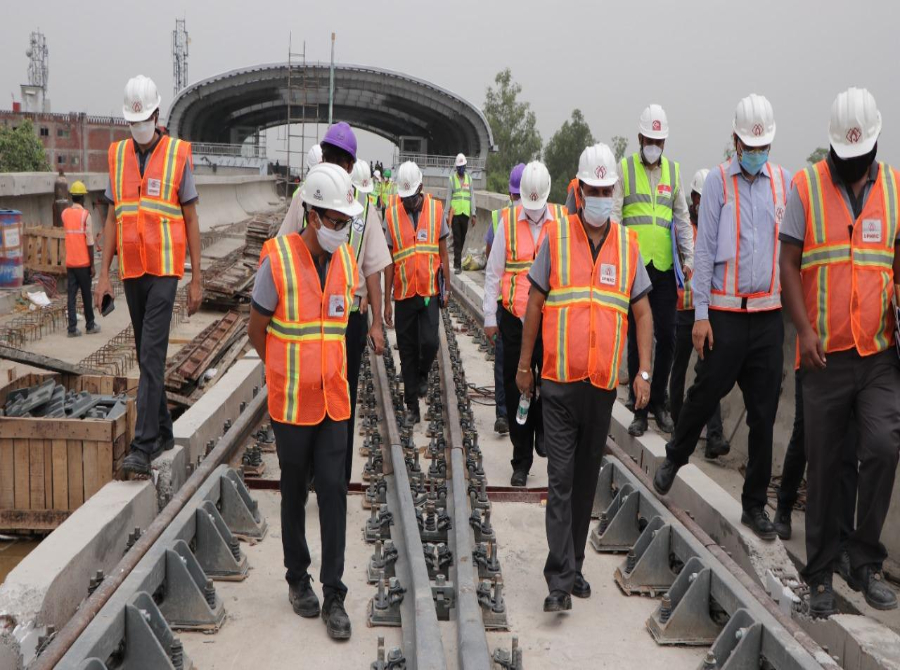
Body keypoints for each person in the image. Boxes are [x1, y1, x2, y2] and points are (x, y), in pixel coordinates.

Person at [517, 143, 653, 612]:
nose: (599, 196)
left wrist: (645, 372)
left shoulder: (628, 245)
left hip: (600, 389)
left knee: (582, 485)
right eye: (592, 189)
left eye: (606, 189)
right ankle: (558, 581)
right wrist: (523, 366)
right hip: (557, 384)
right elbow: (534, 303)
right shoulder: (555, 239)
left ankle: (572, 567)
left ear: (613, 191)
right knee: (559, 479)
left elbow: (643, 313)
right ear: (578, 190)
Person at [780, 87, 900, 616]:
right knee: (825, 465)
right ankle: (821, 573)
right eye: (844, 157)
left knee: (881, 445)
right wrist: (803, 331)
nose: (854, 166)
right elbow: (788, 263)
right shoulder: (806, 187)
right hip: (824, 353)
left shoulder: (895, 188)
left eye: (862, 156)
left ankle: (865, 560)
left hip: (878, 353)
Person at [653, 94, 790, 545]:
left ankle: (754, 505)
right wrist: (703, 314)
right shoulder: (718, 184)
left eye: (763, 145)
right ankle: (676, 455)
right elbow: (706, 248)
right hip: (726, 317)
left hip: (768, 318)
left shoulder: (780, 184)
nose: (756, 153)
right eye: (750, 145)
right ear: (735, 140)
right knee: (705, 389)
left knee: (765, 413)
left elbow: (788, 250)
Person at [248, 162, 360, 640]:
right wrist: (281, 369)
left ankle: (334, 592)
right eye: (335, 220)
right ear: (312, 216)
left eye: (345, 221)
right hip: (292, 404)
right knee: (293, 490)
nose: (341, 229)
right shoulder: (277, 261)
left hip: (334, 400)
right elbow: (258, 330)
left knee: (333, 489)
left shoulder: (347, 263)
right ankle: (298, 579)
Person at [94, 75, 202, 478]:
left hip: (166, 271)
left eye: (144, 119)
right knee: (145, 354)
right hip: (133, 270)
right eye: (132, 121)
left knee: (152, 355)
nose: (138, 128)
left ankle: (142, 446)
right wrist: (103, 277)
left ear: (157, 115)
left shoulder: (177, 155)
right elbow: (112, 219)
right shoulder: (118, 156)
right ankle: (163, 431)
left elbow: (190, 217)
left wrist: (196, 278)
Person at [278, 123, 390, 485]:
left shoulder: (363, 206)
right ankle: (308, 471)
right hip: (307, 316)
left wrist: (376, 322)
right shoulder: (304, 197)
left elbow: (372, 268)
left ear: (350, 165)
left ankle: (335, 479)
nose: (334, 163)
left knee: (342, 399)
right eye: (329, 157)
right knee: (307, 391)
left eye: (341, 160)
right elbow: (283, 251)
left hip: (349, 318)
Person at [483, 161, 567, 486]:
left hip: (549, 319)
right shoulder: (507, 221)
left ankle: (543, 431)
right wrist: (490, 317)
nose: (532, 212)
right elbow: (493, 273)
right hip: (514, 320)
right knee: (516, 385)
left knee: (549, 381)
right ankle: (521, 460)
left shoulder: (560, 222)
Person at [613, 104, 694, 437]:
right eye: (650, 139)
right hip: (634, 268)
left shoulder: (674, 173)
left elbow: (682, 220)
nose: (654, 146)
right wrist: (616, 258)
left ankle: (658, 400)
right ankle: (639, 406)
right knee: (637, 339)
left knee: (669, 337)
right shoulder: (625, 169)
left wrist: (687, 258)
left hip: (662, 268)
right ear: (640, 137)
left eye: (659, 141)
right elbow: (615, 216)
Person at [382, 161, 450, 425]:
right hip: (404, 293)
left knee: (430, 342)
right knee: (407, 351)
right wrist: (387, 300)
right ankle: (411, 406)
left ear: (421, 188)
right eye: (404, 198)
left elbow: (443, 252)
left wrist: (446, 287)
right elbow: (389, 261)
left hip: (429, 291)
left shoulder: (436, 210)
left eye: (412, 197)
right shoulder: (391, 215)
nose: (408, 202)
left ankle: (423, 375)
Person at [668, 169, 728, 459]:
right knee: (678, 368)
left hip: (706, 313)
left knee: (710, 373)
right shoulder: (681, 230)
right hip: (682, 310)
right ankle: (679, 425)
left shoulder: (715, 231)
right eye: (701, 199)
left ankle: (714, 436)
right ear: (693, 199)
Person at [484, 163, 526, 437]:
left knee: (505, 362)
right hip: (515, 304)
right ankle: (508, 413)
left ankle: (506, 412)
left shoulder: (500, 217)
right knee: (515, 361)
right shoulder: (504, 219)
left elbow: (490, 261)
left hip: (508, 303)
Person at [62, 180, 100, 338]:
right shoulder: (85, 215)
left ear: (71, 197)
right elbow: (90, 243)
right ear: (83, 198)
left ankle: (72, 328)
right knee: (86, 295)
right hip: (83, 263)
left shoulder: (65, 214)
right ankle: (90, 325)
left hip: (70, 263)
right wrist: (92, 265)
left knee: (71, 296)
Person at [446, 153, 476, 274]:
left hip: (465, 213)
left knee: (462, 238)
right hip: (456, 213)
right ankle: (457, 265)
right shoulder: (452, 179)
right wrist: (446, 215)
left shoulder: (469, 179)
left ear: (465, 166)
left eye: (463, 166)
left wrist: (474, 214)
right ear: (456, 168)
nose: (461, 169)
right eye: (459, 167)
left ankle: (458, 260)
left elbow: (472, 196)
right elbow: (448, 198)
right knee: (457, 238)